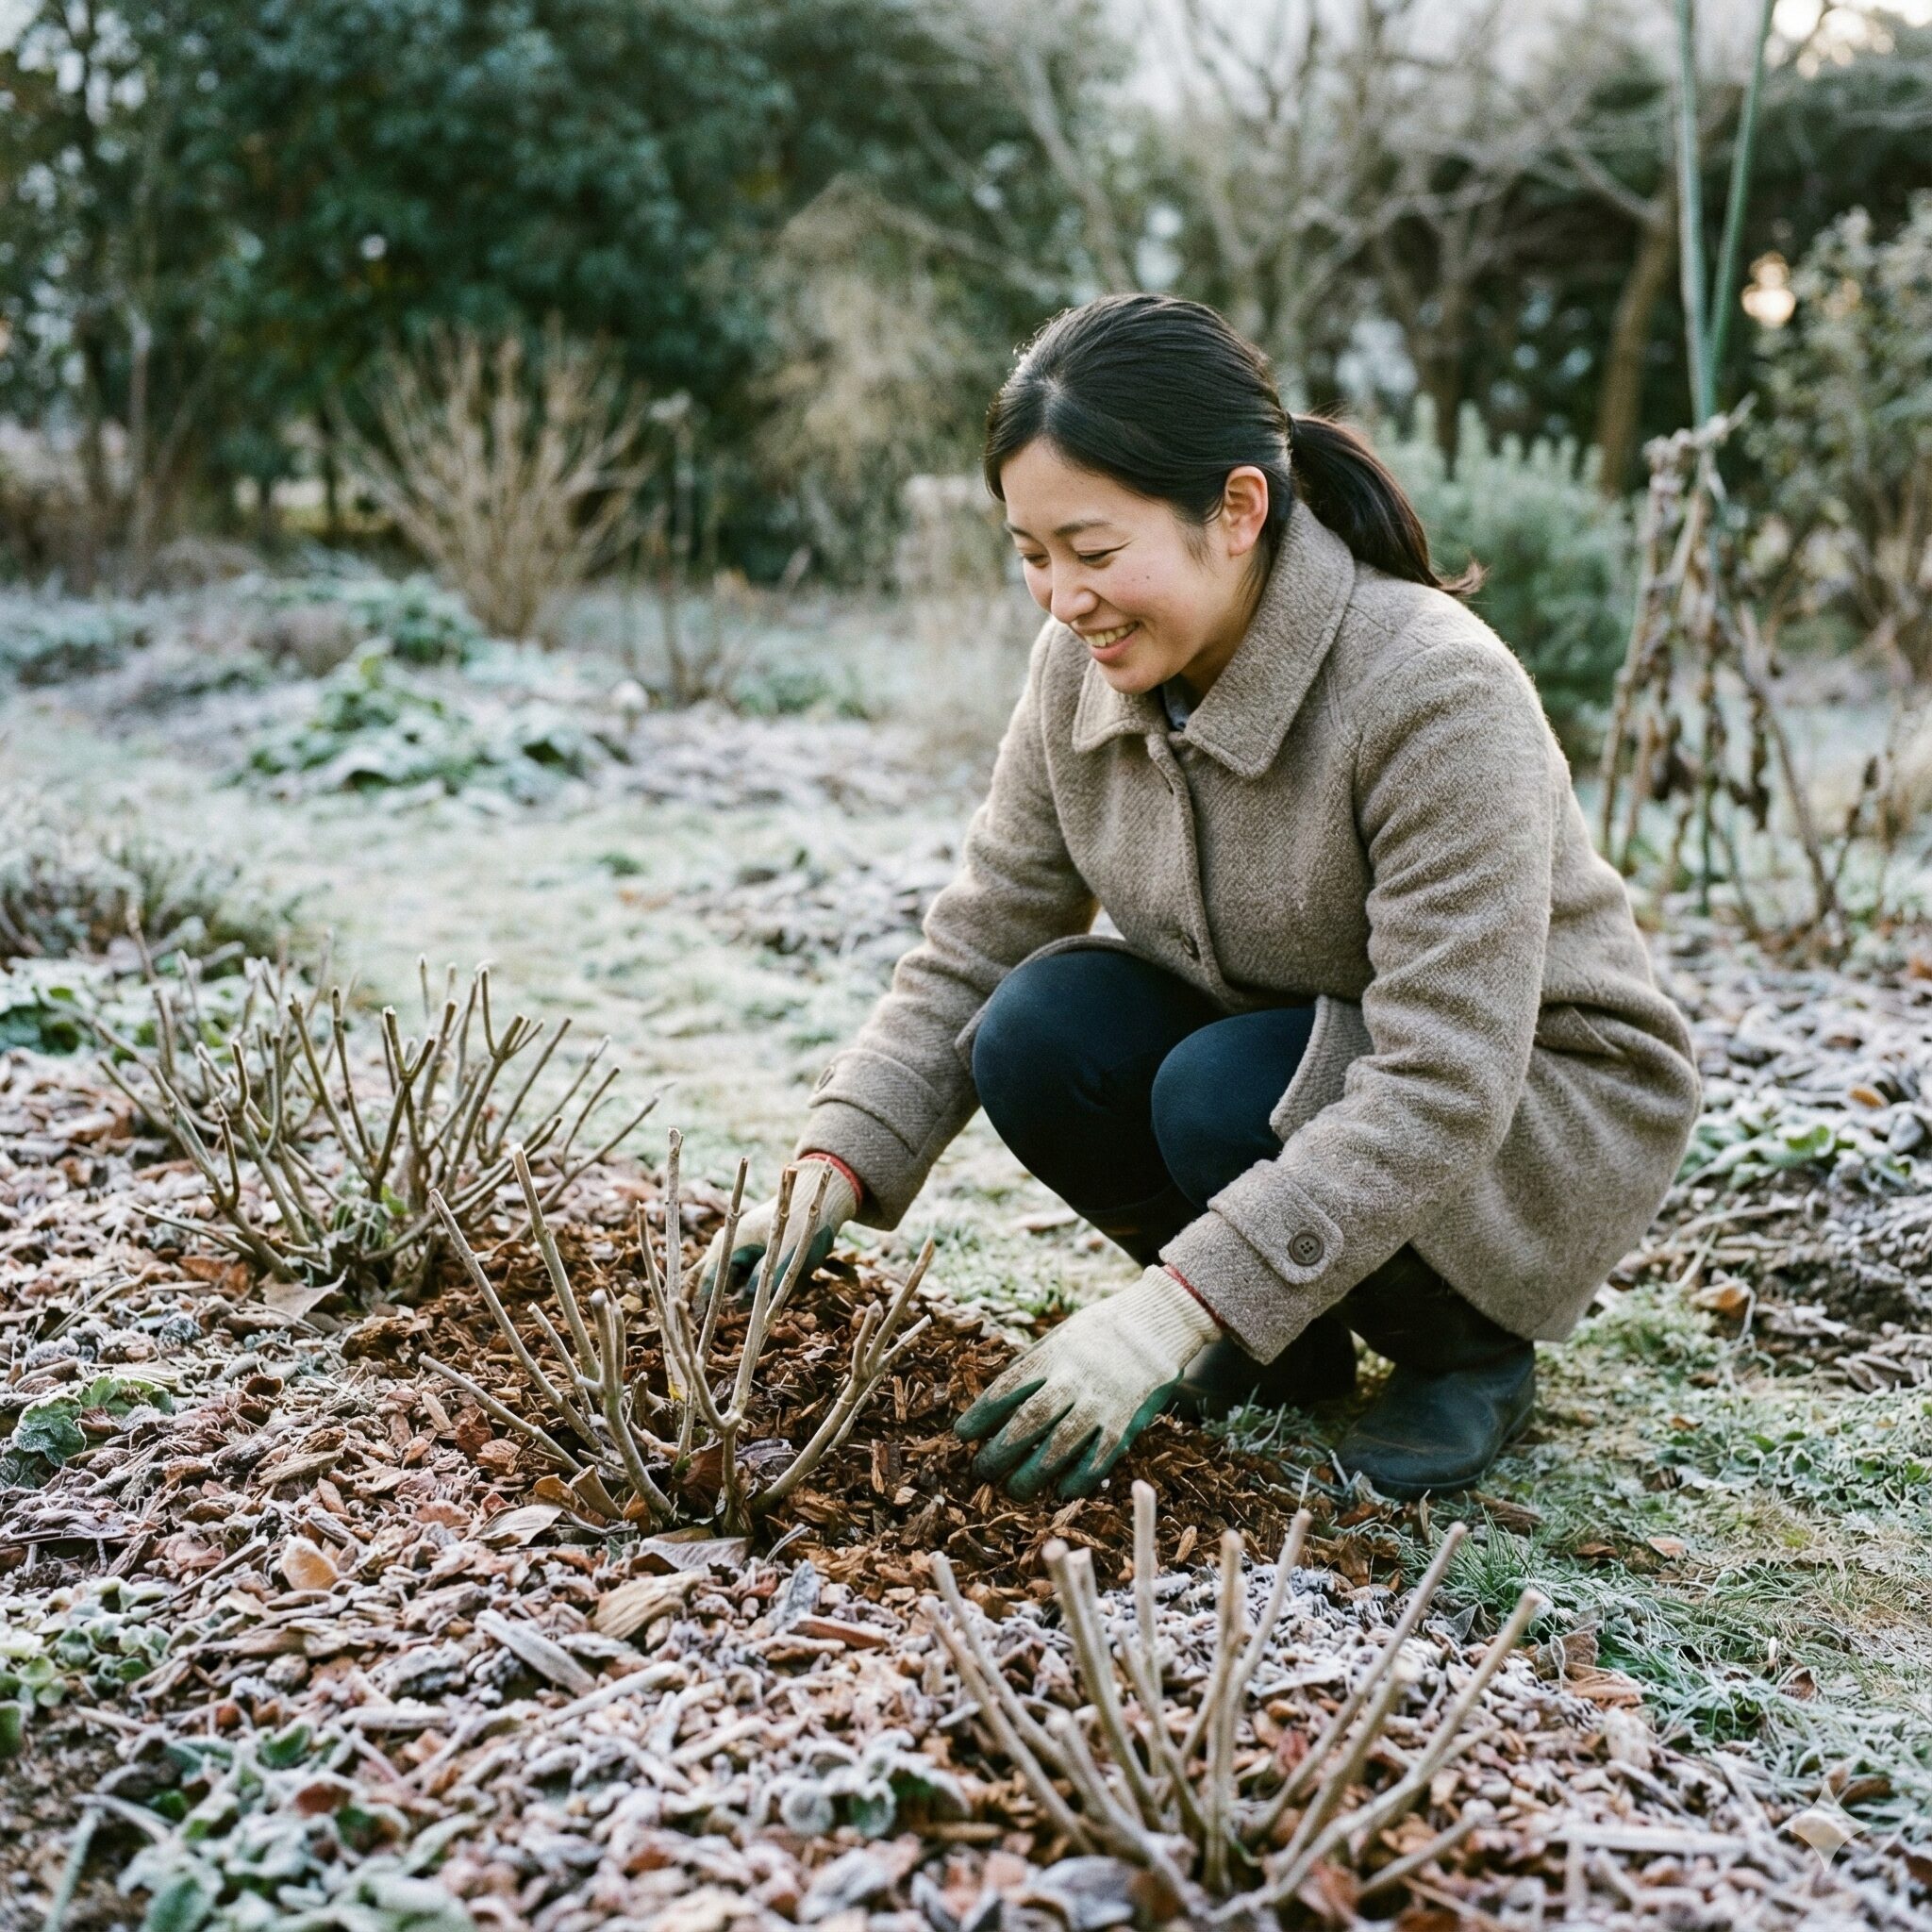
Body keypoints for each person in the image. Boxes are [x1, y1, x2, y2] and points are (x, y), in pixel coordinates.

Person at [705, 291, 1701, 1506]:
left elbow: (1445, 1075)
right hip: (1286, 1057)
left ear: (1235, 510)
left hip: (1530, 1111)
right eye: (1030, 554)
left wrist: (1161, 1311)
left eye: (1093, 548)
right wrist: (838, 1154)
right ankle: (1276, 1335)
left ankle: (1464, 1357)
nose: (1062, 597)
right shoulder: (1080, 664)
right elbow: (983, 930)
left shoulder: (1433, 691)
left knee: (1220, 1092)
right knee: (1037, 1024)